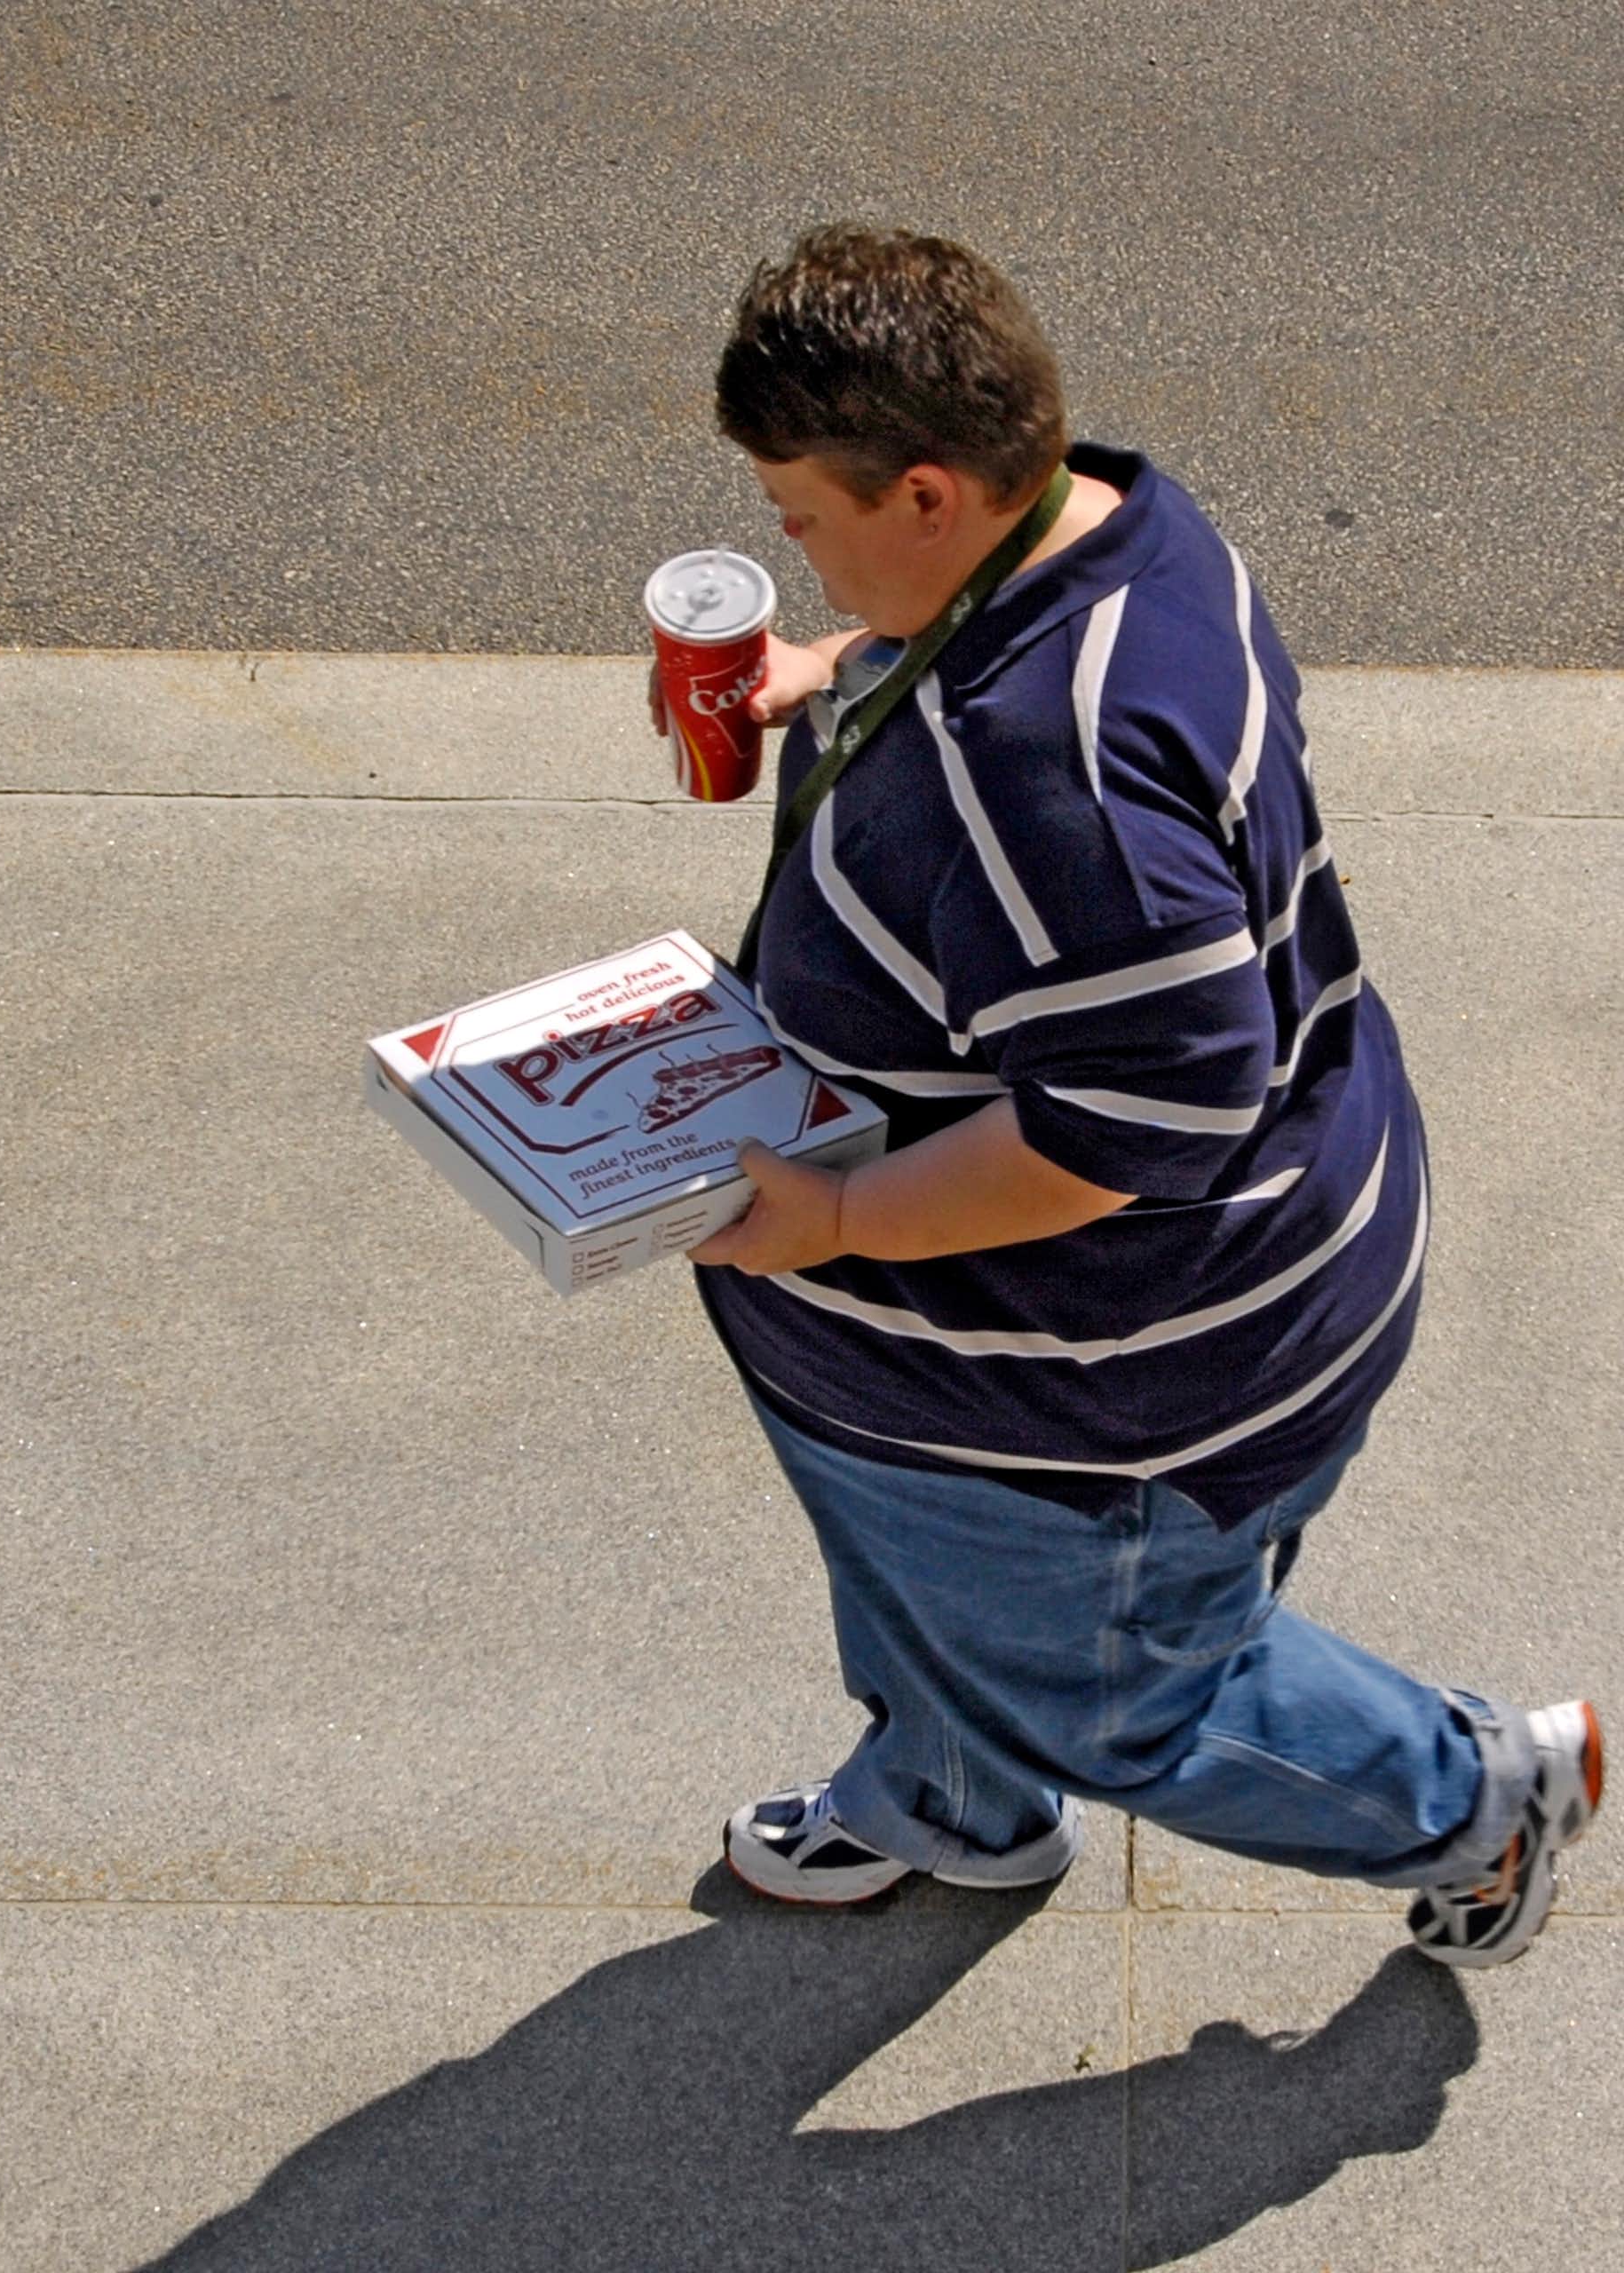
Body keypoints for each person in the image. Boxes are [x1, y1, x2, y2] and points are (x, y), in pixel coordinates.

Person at [650, 225, 1598, 1966]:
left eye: (800, 517)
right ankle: (957, 1798)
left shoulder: (1048, 778)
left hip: (1109, 1397)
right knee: (947, 1595)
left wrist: (839, 1216)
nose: (788, 548)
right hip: (976, 1374)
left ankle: (1477, 1799)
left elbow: (1138, 1119)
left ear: (925, 492)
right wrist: (842, 670)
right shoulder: (1112, 529)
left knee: (1129, 1700)